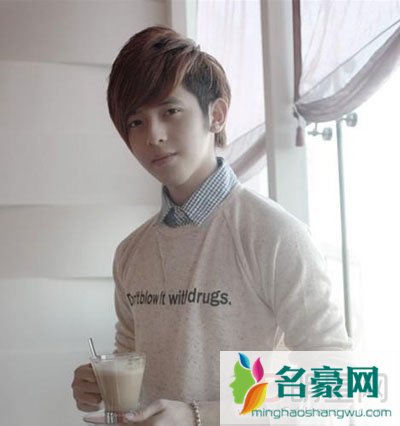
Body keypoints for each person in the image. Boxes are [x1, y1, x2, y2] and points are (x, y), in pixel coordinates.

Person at [71, 25, 350, 425]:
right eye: (135, 121)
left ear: (216, 115)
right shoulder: (131, 252)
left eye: (170, 111)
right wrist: (100, 383)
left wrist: (200, 416)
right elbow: (130, 355)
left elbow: (336, 378)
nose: (154, 135)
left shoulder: (274, 236)